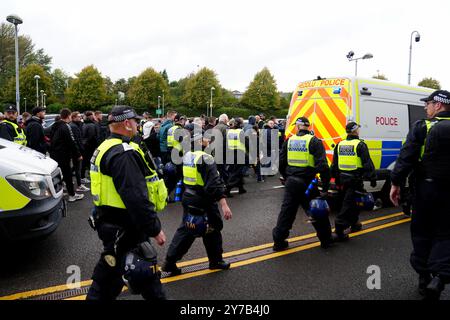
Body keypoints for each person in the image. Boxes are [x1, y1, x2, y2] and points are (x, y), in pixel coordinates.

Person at [86, 105, 167, 300]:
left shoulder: (105, 147)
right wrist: (154, 229)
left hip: (111, 225)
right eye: (135, 122)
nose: (137, 125)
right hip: (126, 229)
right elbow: (135, 197)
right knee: (145, 277)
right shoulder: (123, 153)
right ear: (126, 123)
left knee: (111, 280)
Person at [390, 90, 450, 300]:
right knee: (445, 234)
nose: (426, 107)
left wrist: (396, 183)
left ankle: (424, 278)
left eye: (429, 103)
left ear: (439, 105)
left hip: (426, 190)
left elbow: (406, 157)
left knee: (422, 233)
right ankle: (440, 278)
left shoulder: (422, 126)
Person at [162, 129, 232, 276]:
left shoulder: (188, 156)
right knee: (213, 228)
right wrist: (224, 204)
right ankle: (216, 261)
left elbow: (178, 174)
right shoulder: (206, 158)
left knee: (187, 229)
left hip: (188, 197)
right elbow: (214, 185)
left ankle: (170, 262)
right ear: (200, 142)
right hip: (204, 200)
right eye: (206, 140)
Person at [272, 117, 333, 250]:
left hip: (292, 182)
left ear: (298, 127)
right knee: (317, 211)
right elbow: (323, 166)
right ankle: (326, 240)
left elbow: (281, 163)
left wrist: (286, 177)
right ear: (308, 127)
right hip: (308, 184)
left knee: (286, 213)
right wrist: (325, 187)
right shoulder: (314, 141)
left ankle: (278, 242)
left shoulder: (289, 140)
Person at [330, 121, 376, 241]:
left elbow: (334, 164)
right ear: (356, 131)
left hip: (343, 179)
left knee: (354, 202)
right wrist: (372, 178)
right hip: (354, 179)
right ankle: (339, 230)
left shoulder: (340, 144)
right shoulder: (360, 145)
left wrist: (335, 179)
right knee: (348, 204)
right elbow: (367, 163)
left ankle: (354, 224)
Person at [50, 109, 84, 202]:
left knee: (58, 174)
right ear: (69, 116)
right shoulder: (66, 126)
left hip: (54, 154)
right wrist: (78, 154)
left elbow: (49, 137)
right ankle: (72, 195)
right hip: (64, 154)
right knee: (67, 174)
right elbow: (71, 142)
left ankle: (59, 192)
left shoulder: (55, 125)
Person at [225, 118, 247, 197]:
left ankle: (241, 188)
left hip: (231, 153)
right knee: (236, 172)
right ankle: (227, 189)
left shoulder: (229, 131)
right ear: (239, 124)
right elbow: (246, 143)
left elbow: (226, 143)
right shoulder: (240, 132)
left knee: (238, 171)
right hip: (239, 153)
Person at [70, 112, 89, 193]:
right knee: (78, 168)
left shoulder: (75, 125)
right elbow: (77, 141)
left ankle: (66, 180)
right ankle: (79, 186)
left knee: (75, 167)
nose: (80, 118)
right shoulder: (74, 126)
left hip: (75, 150)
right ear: (74, 117)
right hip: (77, 151)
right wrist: (79, 153)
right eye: (78, 117)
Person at [81, 111, 100, 184]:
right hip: (89, 146)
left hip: (86, 145)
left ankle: (84, 176)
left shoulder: (84, 124)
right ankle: (84, 176)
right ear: (90, 116)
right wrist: (96, 145)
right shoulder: (91, 125)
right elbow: (92, 136)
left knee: (86, 162)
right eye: (92, 115)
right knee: (89, 161)